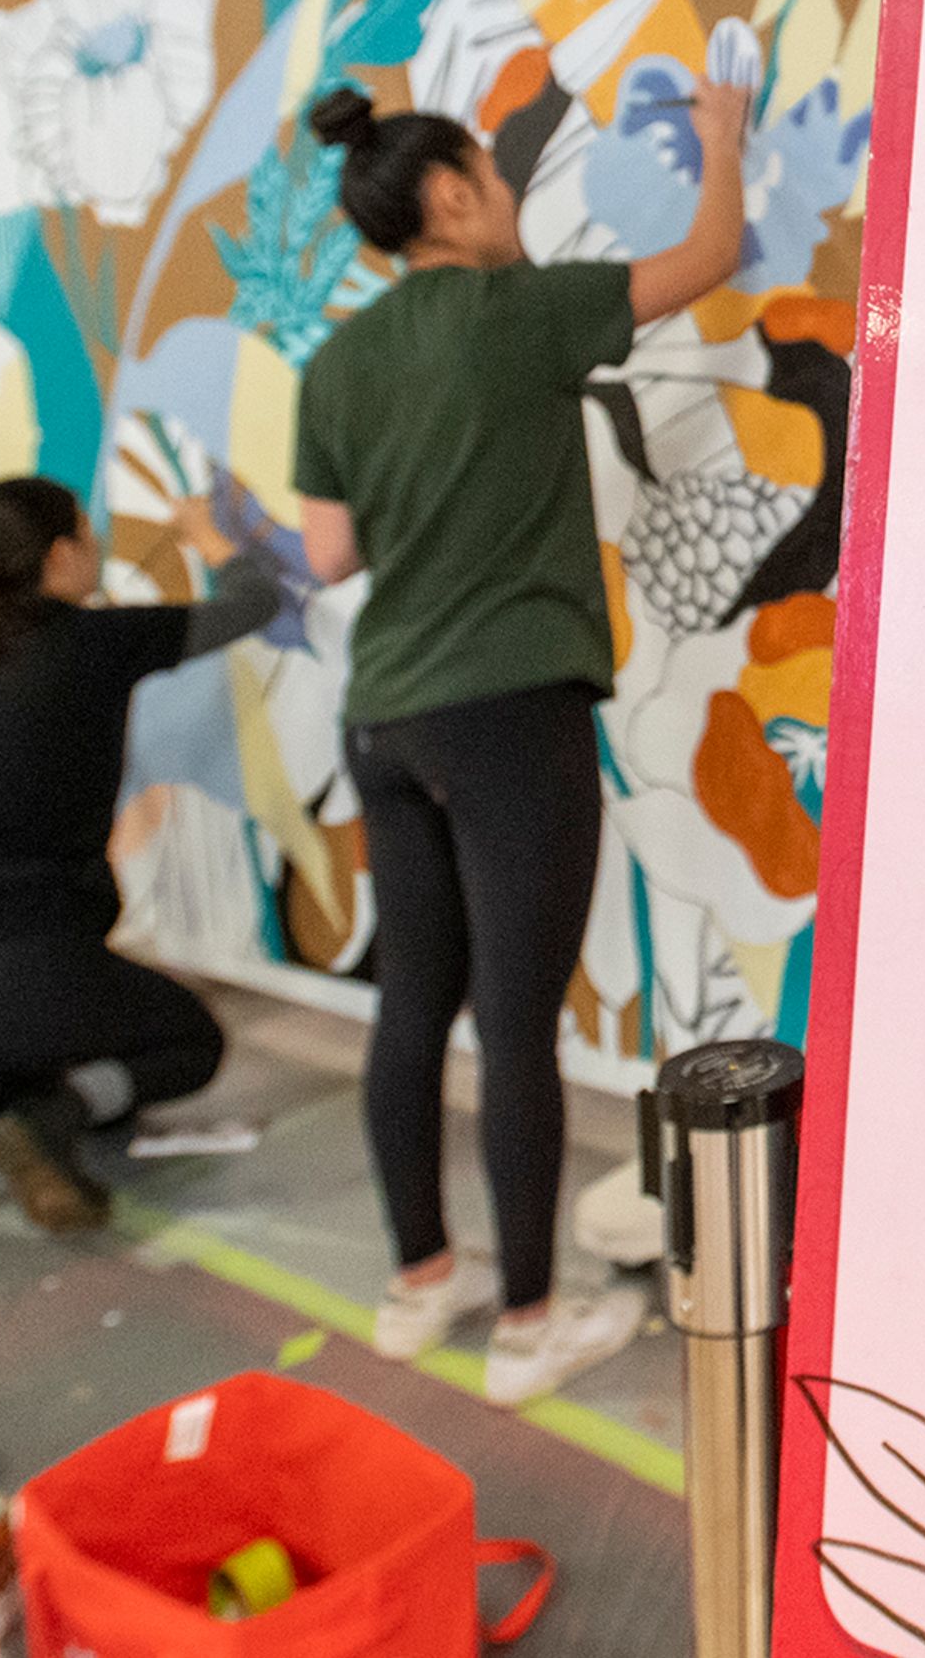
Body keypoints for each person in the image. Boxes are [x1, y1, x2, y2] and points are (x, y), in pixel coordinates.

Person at [293, 72, 746, 1405]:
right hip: (508, 719)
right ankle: (532, 1323)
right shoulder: (523, 310)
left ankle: (419, 1285)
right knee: (517, 1027)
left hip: (386, 717)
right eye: (499, 179)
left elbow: (329, 552)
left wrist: (424, 489)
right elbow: (709, 257)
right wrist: (720, 138)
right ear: (448, 198)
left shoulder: (340, 361)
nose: (513, 200)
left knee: (413, 1012)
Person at [0, 476, 280, 1229]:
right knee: (189, 1041)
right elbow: (253, 605)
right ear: (62, 555)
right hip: (37, 971)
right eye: (88, 538)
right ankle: (48, 1122)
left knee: (23, 1035)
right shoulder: (95, 643)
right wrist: (213, 540)